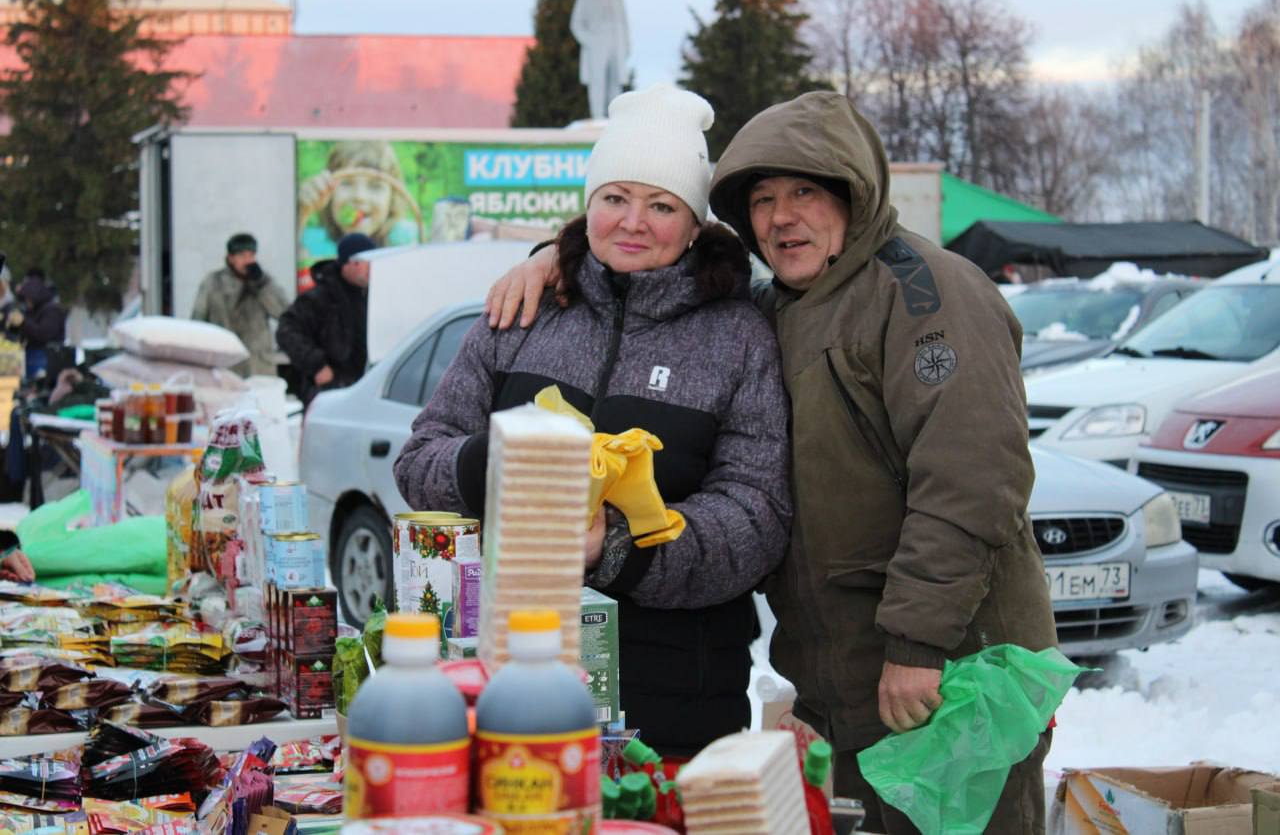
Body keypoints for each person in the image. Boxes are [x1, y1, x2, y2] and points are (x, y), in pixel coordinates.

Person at [485, 91, 1058, 834]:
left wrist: (921, 644)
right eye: (762, 199)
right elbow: (648, 267)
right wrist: (550, 260)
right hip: (846, 683)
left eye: (805, 192)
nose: (782, 217)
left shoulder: (925, 291)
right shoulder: (784, 304)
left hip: (950, 674)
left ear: (853, 190)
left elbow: (972, 480)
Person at [393, 84, 791, 757]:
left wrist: (619, 545)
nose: (633, 221)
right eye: (614, 198)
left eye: (661, 205)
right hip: (509, 681)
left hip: (675, 702)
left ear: (695, 225)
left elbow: (757, 518)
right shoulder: (524, 311)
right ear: (588, 206)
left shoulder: (738, 337)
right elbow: (417, 462)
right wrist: (501, 460)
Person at [276, 232, 376, 405]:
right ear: (349, 262)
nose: (372, 268)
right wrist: (317, 365)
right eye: (368, 262)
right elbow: (286, 330)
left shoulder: (375, 295)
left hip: (367, 390)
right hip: (329, 395)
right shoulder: (320, 297)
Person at [297, 140, 419, 277]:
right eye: (347, 183)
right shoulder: (312, 242)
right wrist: (302, 213)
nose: (359, 197)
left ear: (392, 198)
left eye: (375, 186)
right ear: (328, 193)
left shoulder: (405, 241)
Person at [191, 233, 290, 377]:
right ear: (231, 258)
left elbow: (283, 313)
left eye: (251, 255)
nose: (248, 261)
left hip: (258, 366)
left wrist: (261, 285)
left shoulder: (264, 281)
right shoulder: (213, 283)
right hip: (224, 364)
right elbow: (198, 322)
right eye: (242, 256)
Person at [570, 0, 630, 120]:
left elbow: (624, 25)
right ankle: (598, 115)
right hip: (596, 42)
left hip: (616, 42)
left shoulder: (618, 0)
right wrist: (589, 41)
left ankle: (616, 115)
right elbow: (576, 24)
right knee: (597, 79)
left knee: (615, 80)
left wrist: (626, 46)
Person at [11, 271, 67, 382]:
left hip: (45, 357)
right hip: (30, 356)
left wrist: (23, 322)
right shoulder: (33, 311)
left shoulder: (51, 310)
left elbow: (44, 334)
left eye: (28, 299)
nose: (27, 302)